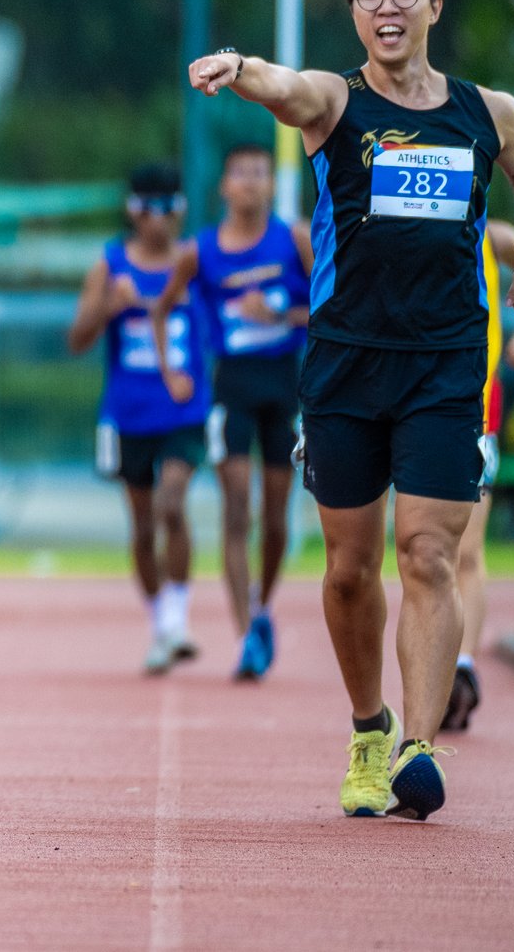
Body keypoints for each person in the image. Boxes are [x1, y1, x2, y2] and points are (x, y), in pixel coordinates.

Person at [186, 0, 514, 821]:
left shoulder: (489, 112)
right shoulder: (337, 103)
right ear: (354, 12)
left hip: (445, 367)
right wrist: (242, 71)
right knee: (352, 569)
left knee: (428, 553)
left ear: (433, 4)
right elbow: (289, 87)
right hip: (347, 367)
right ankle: (368, 726)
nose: (386, 9)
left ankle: (419, 747)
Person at [147, 144, 313, 681]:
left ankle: (264, 604)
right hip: (232, 388)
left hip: (284, 387)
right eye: (239, 173)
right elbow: (163, 305)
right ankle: (247, 634)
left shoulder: (295, 239)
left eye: (260, 173)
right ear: (224, 186)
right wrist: (171, 367)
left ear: (270, 185)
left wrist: (284, 313)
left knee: (277, 514)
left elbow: (333, 307)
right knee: (236, 508)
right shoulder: (200, 251)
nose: (250, 182)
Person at [69, 164, 215, 674]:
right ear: (133, 210)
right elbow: (77, 339)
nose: (161, 220)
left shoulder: (194, 262)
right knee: (142, 523)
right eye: (150, 208)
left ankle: (177, 619)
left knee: (172, 504)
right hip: (128, 414)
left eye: (171, 207)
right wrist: (110, 305)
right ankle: (161, 623)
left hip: (183, 408)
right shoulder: (109, 265)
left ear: (183, 210)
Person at [442, 222, 514, 730]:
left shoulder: (495, 237)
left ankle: (462, 666)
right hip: (412, 406)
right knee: (426, 550)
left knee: (467, 549)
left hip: (479, 409)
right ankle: (434, 659)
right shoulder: (403, 217)